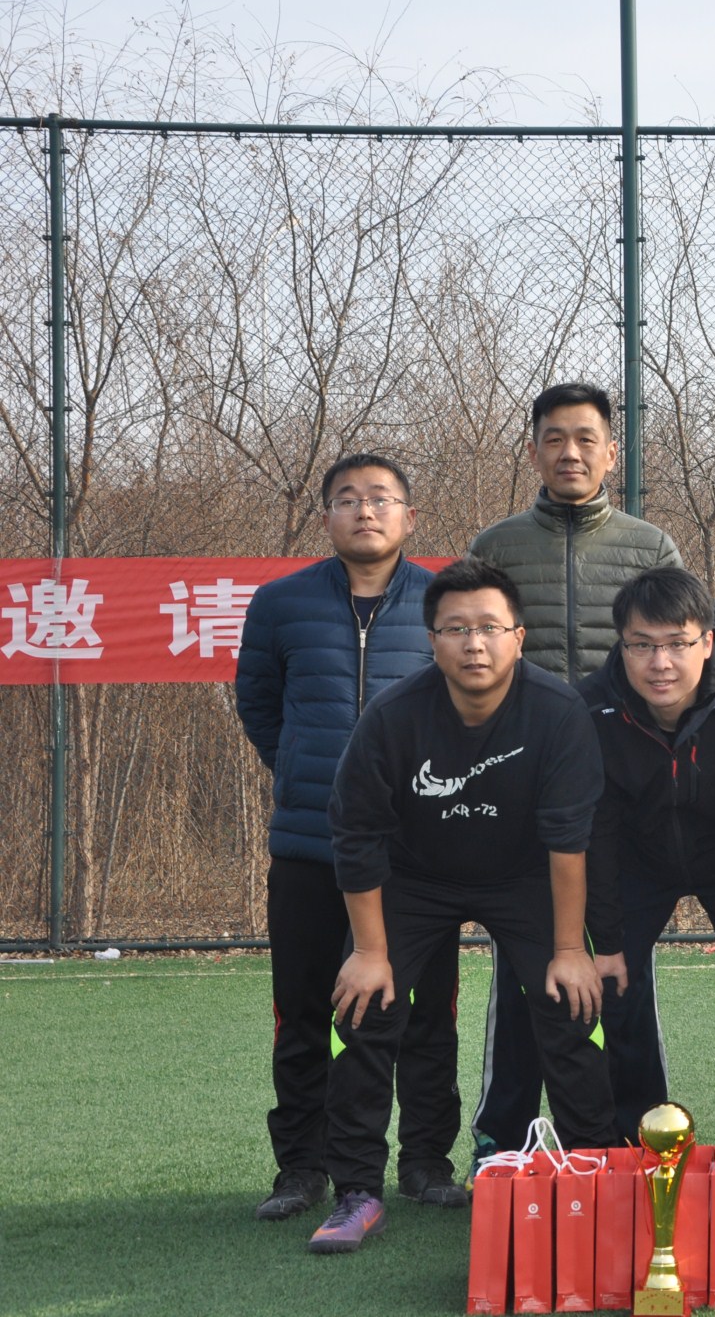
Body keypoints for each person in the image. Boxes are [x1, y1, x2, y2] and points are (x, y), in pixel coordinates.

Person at [307, 558, 615, 1254]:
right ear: (432, 640)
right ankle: (358, 1189)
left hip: (524, 877)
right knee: (362, 1007)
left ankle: (595, 1170)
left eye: (489, 628)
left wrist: (570, 950)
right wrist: (370, 951)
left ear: (519, 636)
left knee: (572, 1003)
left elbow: (570, 840)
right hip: (415, 878)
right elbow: (355, 833)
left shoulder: (558, 712)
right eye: (455, 629)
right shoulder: (393, 717)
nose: (474, 643)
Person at [235, 453, 464, 1222]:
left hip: (418, 855)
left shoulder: (443, 601)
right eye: (348, 499)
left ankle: (426, 1159)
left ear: (409, 516)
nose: (365, 511)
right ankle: (301, 1166)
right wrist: (319, 777)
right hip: (310, 848)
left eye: (381, 498)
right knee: (303, 1012)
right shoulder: (281, 603)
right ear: (326, 515)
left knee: (424, 1015)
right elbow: (259, 704)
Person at [467, 382, 682, 1160]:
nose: (570, 453)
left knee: (621, 964)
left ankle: (638, 1133)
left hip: (623, 791)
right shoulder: (495, 547)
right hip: (521, 787)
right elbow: (470, 657)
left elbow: (677, 659)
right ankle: (502, 1137)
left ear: (612, 453)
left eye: (586, 439)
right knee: (524, 969)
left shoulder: (650, 547)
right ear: (533, 451)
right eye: (554, 438)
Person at [578, 567, 715, 1142]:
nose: (660, 663)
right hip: (635, 862)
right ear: (621, 645)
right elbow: (597, 830)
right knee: (612, 988)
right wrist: (608, 942)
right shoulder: (590, 706)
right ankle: (634, 1137)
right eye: (642, 645)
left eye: (676, 644)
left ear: (707, 641)